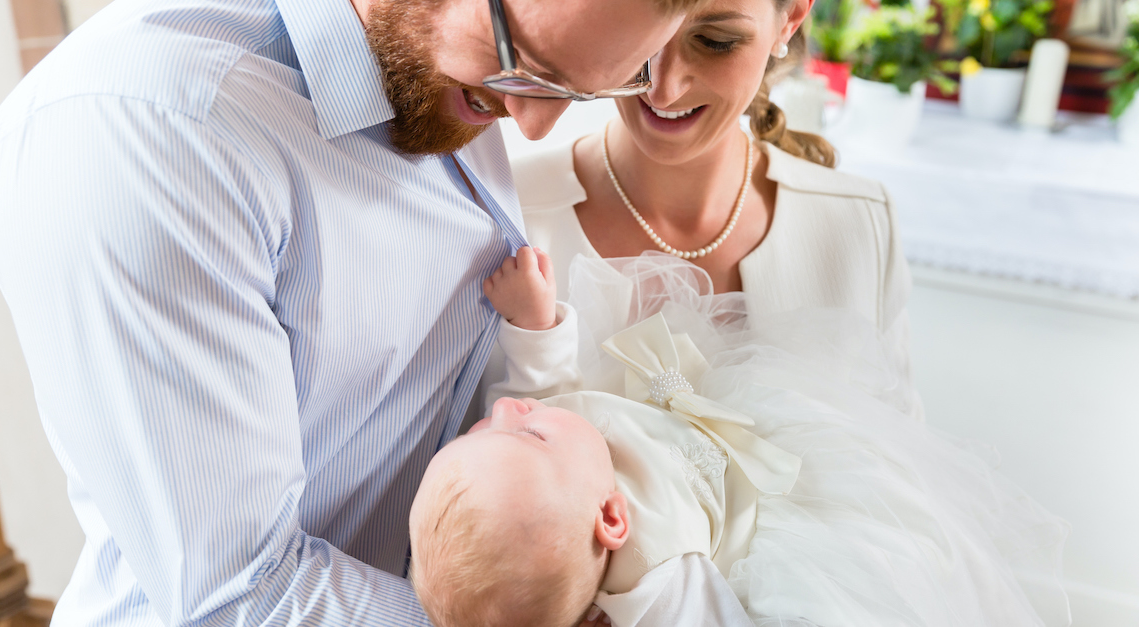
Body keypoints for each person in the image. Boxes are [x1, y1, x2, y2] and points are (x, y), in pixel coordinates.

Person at [0, 0, 709, 624]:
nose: (534, 124)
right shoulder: (152, 131)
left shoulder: (443, 73)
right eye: (528, 65)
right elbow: (241, 599)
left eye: (581, 90)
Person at [450, 247, 1069, 626]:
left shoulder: (537, 465)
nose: (511, 413)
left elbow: (536, 384)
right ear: (612, 518)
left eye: (479, 430)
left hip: (740, 420)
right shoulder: (658, 574)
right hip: (767, 511)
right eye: (524, 431)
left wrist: (533, 321)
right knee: (902, 545)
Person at [488, 0, 921, 423]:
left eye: (715, 41)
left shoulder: (859, 225)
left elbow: (896, 461)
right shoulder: (506, 216)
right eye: (641, 32)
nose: (663, 86)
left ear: (788, 19)